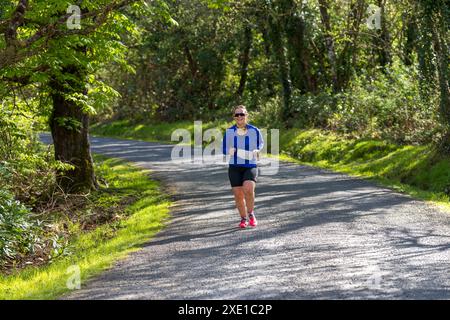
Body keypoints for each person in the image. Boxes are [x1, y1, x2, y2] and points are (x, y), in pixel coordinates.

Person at [222, 105, 264, 228]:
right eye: (237, 114)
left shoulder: (254, 130)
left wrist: (257, 150)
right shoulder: (229, 132)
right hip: (235, 166)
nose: (239, 116)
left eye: (242, 114)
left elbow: (260, 143)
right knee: (238, 194)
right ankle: (243, 218)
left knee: (249, 189)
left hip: (250, 164)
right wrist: (228, 150)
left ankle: (251, 213)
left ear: (246, 116)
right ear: (234, 117)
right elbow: (223, 148)